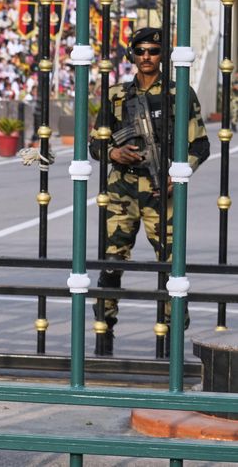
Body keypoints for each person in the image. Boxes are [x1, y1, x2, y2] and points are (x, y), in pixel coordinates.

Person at [89, 27, 210, 356]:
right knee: (112, 262)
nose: (146, 56)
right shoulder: (116, 95)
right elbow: (96, 144)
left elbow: (200, 144)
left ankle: (170, 340)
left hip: (162, 189)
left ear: (162, 56)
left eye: (154, 51)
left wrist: (179, 172)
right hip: (122, 187)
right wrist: (112, 153)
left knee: (171, 265)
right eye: (140, 50)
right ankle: (104, 333)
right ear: (131, 54)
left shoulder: (178, 93)